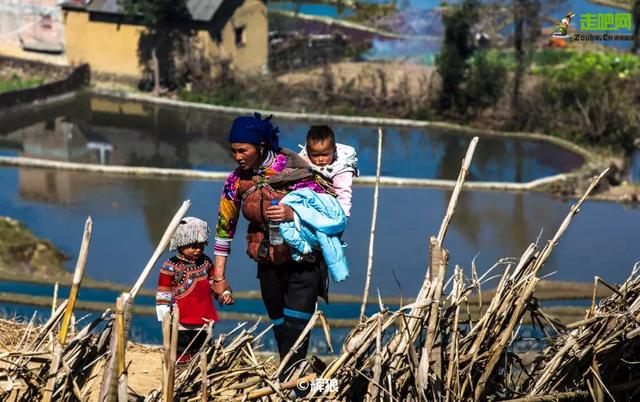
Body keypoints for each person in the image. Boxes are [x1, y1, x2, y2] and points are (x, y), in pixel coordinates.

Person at [213, 113, 332, 380]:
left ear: (262, 145)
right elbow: (224, 228)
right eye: (233, 151)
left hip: (304, 263)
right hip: (268, 261)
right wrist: (219, 277)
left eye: (243, 150)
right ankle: (292, 382)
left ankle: (294, 385)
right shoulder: (236, 182)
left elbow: (327, 214)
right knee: (280, 327)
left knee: (296, 329)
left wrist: (293, 214)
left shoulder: (297, 172)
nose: (237, 156)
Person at [155, 217, 232, 365]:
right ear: (180, 243)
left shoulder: (206, 262)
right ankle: (180, 373)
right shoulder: (170, 266)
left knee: (202, 348)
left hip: (204, 316)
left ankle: (199, 372)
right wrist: (164, 314)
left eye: (201, 245)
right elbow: (163, 291)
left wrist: (224, 294)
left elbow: (214, 282)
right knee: (181, 349)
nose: (198, 249)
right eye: (193, 245)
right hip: (181, 318)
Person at [299, 125, 358, 218]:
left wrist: (343, 216)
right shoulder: (302, 161)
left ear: (334, 150)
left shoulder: (341, 168)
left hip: (330, 209)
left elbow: (344, 193)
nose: (321, 159)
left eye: (325, 154)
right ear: (308, 152)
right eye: (315, 155)